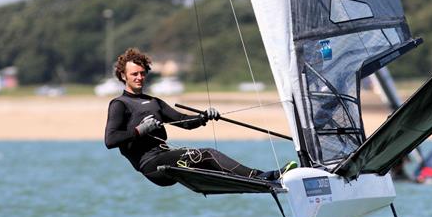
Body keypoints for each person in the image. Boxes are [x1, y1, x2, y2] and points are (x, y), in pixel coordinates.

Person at [104, 48, 293, 187]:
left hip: (168, 158)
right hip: (151, 166)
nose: (139, 77)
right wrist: (139, 130)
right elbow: (110, 140)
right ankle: (261, 177)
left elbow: (184, 122)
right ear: (123, 76)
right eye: (134, 74)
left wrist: (203, 117)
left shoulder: (155, 102)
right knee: (206, 153)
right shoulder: (120, 104)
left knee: (207, 162)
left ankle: (257, 180)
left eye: (142, 73)